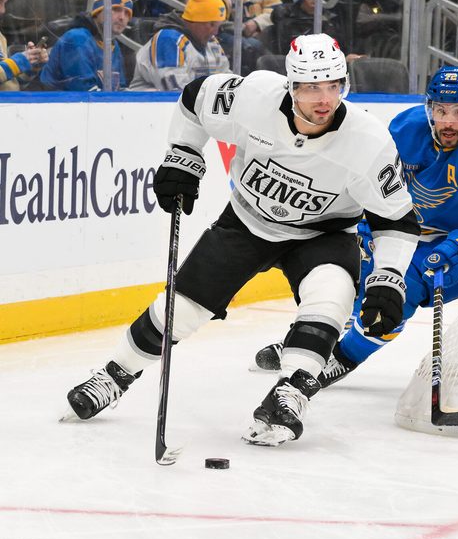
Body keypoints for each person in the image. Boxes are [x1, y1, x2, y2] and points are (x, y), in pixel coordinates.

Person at [63, 33, 419, 448]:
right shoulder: (252, 98)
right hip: (246, 222)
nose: (324, 99)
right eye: (310, 87)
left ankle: (294, 391)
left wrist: (389, 276)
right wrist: (184, 153)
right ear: (291, 86)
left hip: (322, 233)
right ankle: (115, 374)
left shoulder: (368, 141)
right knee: (182, 309)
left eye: (333, 86)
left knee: (332, 294)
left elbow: (396, 219)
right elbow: (195, 98)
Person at [252, 65, 458, 391]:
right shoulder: (405, 129)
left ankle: (343, 357)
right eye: (441, 110)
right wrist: (364, 231)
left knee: (400, 287)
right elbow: (371, 188)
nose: (448, 122)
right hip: (407, 232)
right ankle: (313, 343)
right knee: (347, 271)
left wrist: (456, 252)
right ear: (429, 108)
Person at [130, 0, 230, 91]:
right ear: (195, 20)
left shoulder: (211, 42)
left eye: (218, 26)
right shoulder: (168, 40)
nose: (215, 32)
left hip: (193, 105)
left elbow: (226, 77)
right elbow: (174, 89)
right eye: (211, 24)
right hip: (148, 106)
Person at [39, 0, 131, 91]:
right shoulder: (77, 39)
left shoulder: (113, 45)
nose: (122, 17)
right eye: (116, 9)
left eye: (127, 13)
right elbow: (85, 94)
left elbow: (120, 89)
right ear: (98, 11)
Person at [267, 0, 348, 57]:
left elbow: (340, 47)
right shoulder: (287, 19)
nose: (315, 0)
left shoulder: (329, 20)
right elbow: (288, 50)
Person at [0, 0, 50, 91]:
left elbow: (9, 85)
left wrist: (31, 67)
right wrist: (19, 62)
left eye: (4, 3)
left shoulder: (1, 37)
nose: (3, 10)